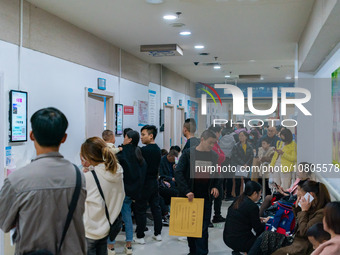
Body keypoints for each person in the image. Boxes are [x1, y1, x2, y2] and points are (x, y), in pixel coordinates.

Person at [0, 107, 86, 254]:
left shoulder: (16, 180)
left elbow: (4, 223)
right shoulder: (78, 175)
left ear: (31, 135)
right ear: (64, 138)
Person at [249, 180, 331, 255]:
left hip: (301, 247)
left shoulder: (321, 214)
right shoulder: (311, 207)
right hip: (293, 240)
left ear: (311, 195)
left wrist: (303, 211)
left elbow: (304, 232)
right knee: (266, 235)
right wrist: (297, 208)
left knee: (268, 240)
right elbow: (296, 224)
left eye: (301, 196)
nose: (300, 199)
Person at [175, 130, 220, 255]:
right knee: (191, 228)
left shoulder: (213, 156)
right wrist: (186, 191)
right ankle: (193, 252)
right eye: (210, 143)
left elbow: (216, 174)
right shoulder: (189, 154)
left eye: (214, 143)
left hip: (205, 198)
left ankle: (202, 253)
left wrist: (215, 186)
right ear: (202, 140)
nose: (211, 146)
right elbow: (178, 172)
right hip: (190, 198)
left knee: (203, 229)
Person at [81, 137, 125, 255]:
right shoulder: (118, 171)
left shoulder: (88, 178)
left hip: (89, 231)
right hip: (107, 228)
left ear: (88, 157)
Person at [108, 130, 147, 255]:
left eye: (125, 137)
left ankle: (111, 246)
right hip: (132, 191)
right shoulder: (138, 152)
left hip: (119, 190)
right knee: (127, 217)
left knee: (113, 217)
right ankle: (129, 245)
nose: (123, 139)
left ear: (129, 139)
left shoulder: (121, 152)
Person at [135, 125, 163, 244]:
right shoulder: (158, 149)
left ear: (151, 136)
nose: (141, 137)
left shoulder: (144, 150)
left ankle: (140, 236)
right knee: (155, 208)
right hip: (154, 182)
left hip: (144, 183)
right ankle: (158, 233)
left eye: (143, 135)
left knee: (140, 209)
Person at [223, 181, 269, 253]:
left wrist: (257, 219)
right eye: (260, 193)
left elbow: (242, 218)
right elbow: (258, 229)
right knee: (264, 242)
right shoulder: (252, 206)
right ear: (254, 193)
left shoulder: (238, 199)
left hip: (227, 238)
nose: (260, 196)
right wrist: (266, 222)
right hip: (239, 240)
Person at [208, 125, 226, 224]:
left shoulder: (216, 143)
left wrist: (221, 156)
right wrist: (221, 156)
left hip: (218, 172)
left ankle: (217, 215)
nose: (220, 135)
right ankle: (208, 219)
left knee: (219, 196)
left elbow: (222, 155)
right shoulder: (211, 144)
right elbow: (219, 157)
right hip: (212, 174)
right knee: (210, 197)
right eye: (219, 133)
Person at [231, 131, 254, 196]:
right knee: (238, 182)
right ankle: (237, 197)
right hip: (238, 165)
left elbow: (251, 156)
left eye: (242, 135)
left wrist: (246, 164)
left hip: (246, 166)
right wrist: (243, 163)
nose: (241, 137)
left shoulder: (249, 146)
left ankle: (248, 196)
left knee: (247, 181)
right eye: (240, 136)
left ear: (246, 137)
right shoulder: (236, 146)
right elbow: (235, 156)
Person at [219, 125, 236, 201]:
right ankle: (228, 195)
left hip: (222, 160)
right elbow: (234, 150)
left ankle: (222, 195)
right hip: (230, 160)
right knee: (229, 178)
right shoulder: (233, 138)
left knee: (222, 178)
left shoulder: (221, 138)